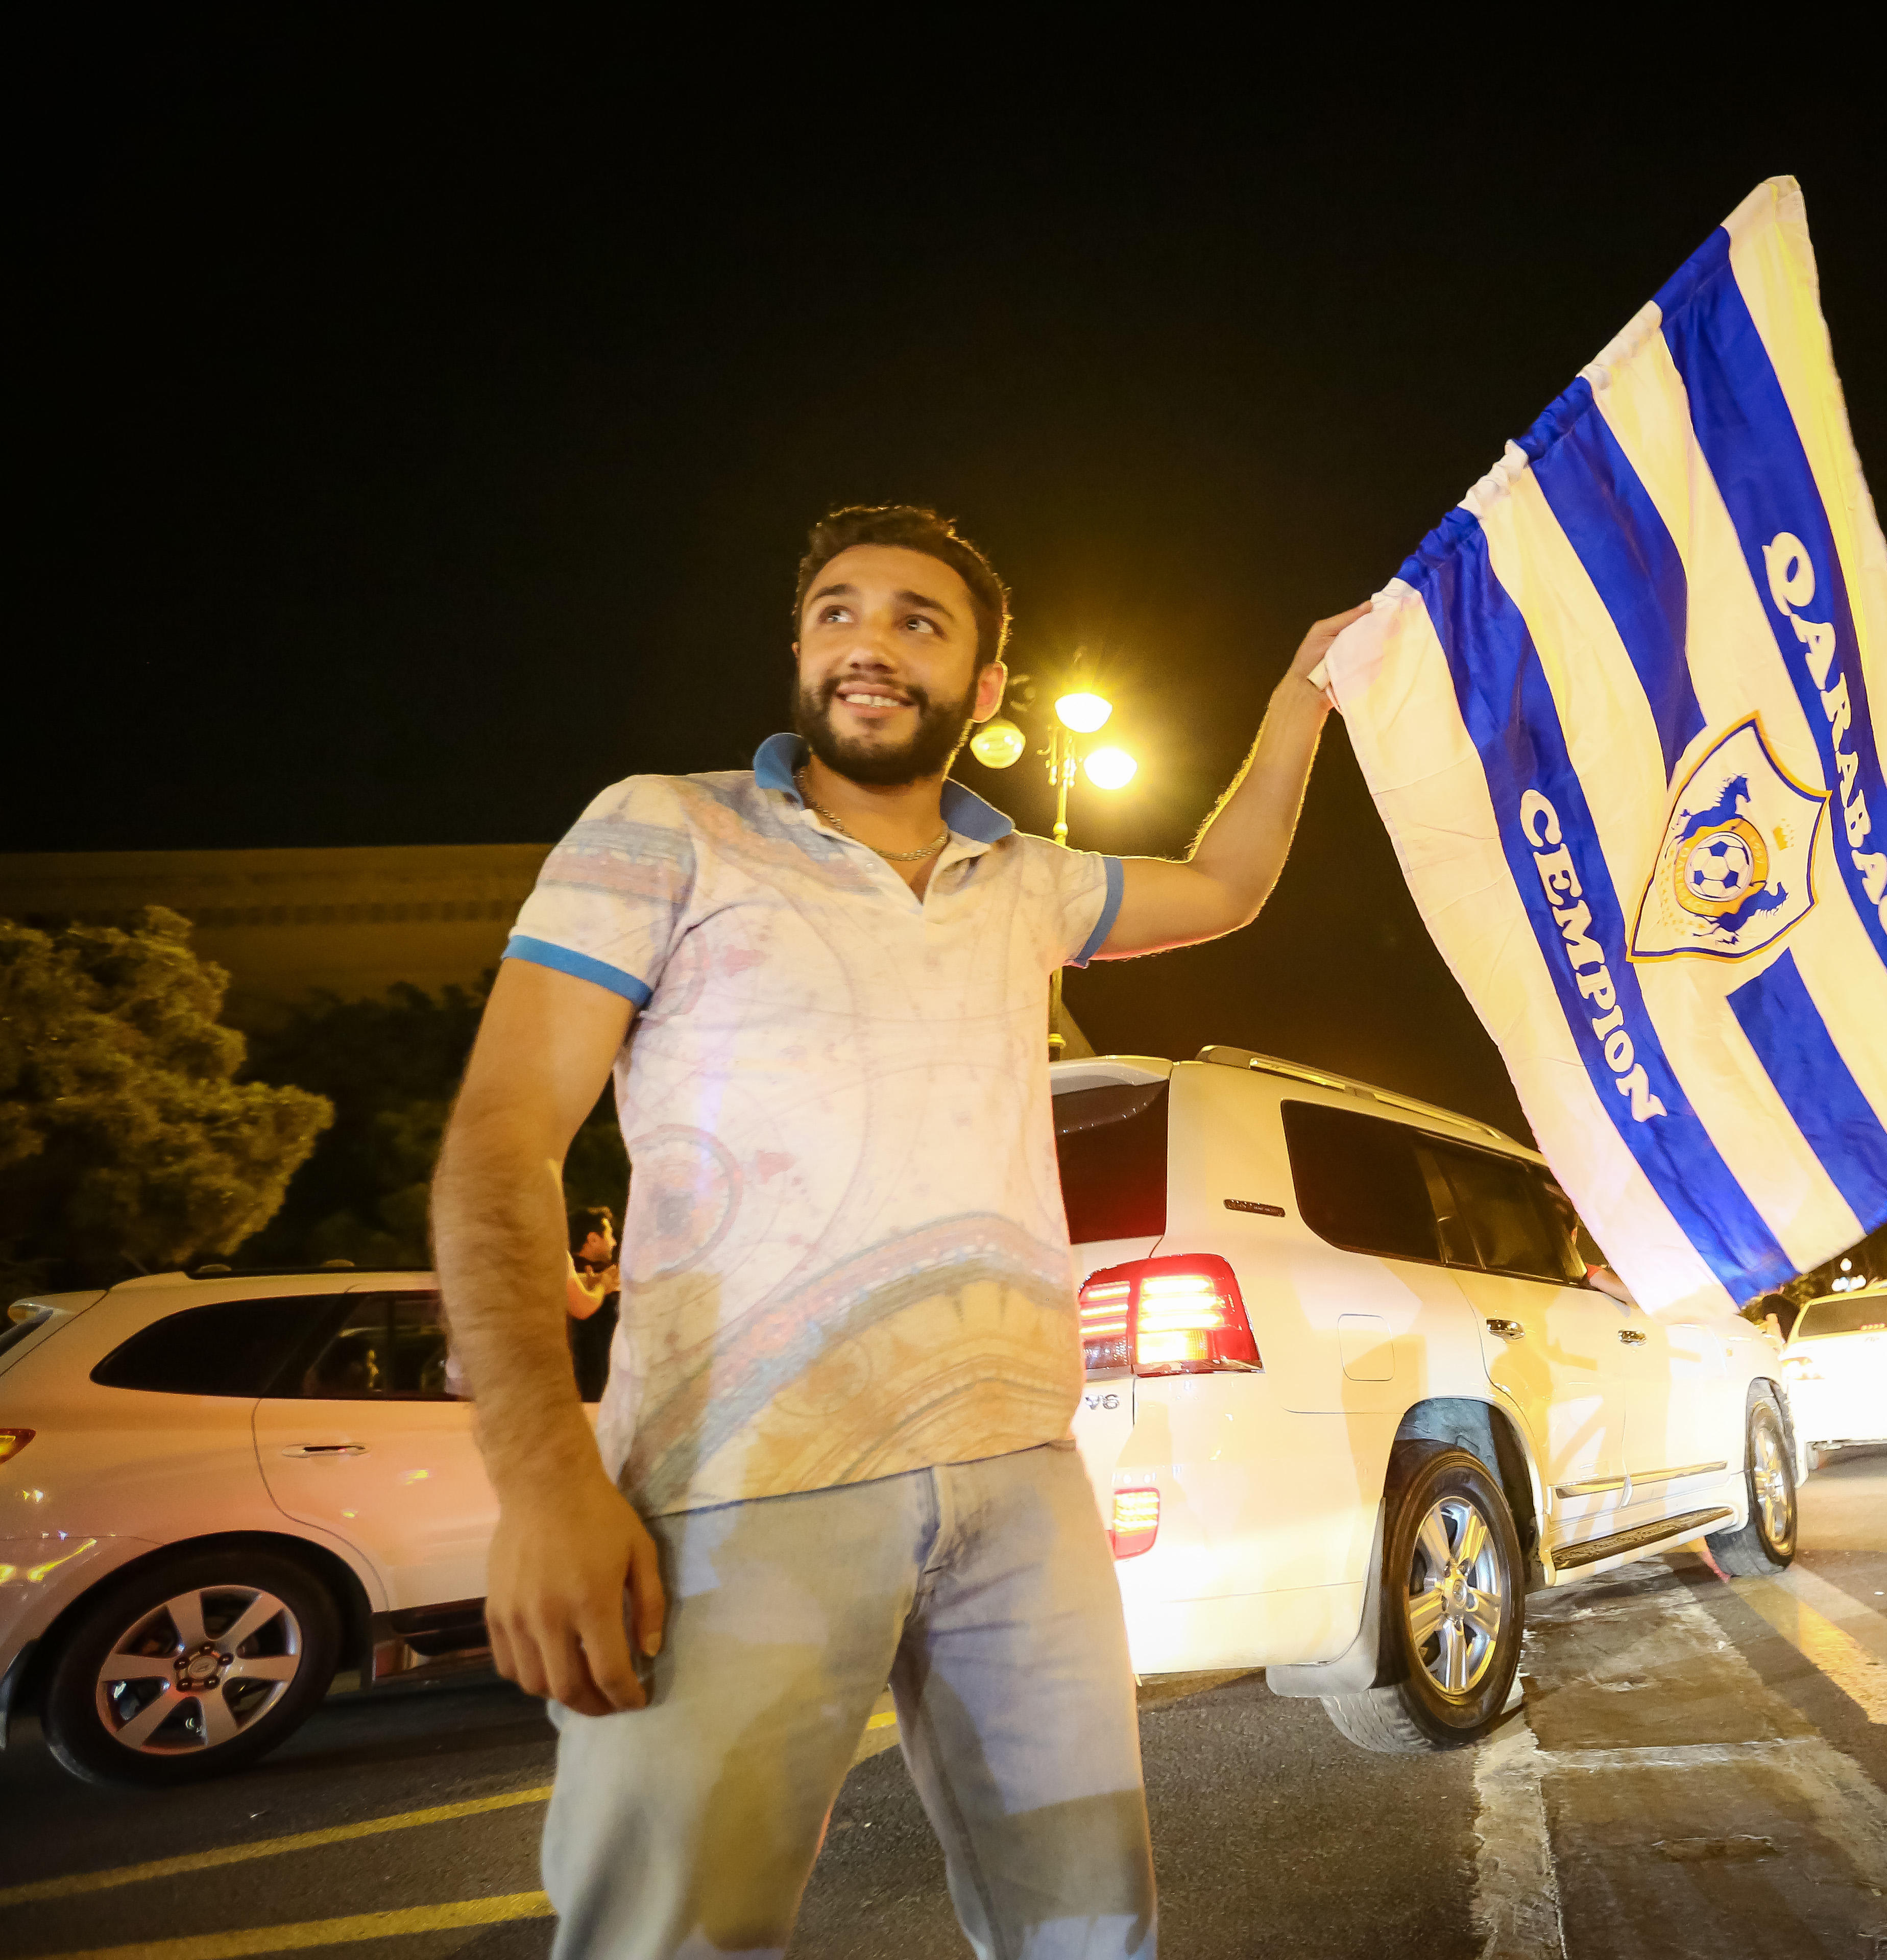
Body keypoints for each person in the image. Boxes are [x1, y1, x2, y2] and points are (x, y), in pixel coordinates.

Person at [433, 502, 1360, 1959]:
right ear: (800, 651)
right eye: (838, 615)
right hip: (734, 1486)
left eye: (918, 622)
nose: (870, 645)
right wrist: (544, 1480)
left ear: (986, 691)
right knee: (674, 1931)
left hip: (1020, 1484)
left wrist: (1304, 694)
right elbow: (499, 1143)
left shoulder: (1031, 883)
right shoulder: (660, 827)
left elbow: (1231, 886)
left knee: (1090, 1925)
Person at [564, 1206, 620, 1403]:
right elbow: (583, 1308)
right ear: (593, 1239)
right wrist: (603, 1286)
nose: (614, 1243)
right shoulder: (608, 1277)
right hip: (593, 1383)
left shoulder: (554, 1267)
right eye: (609, 1235)